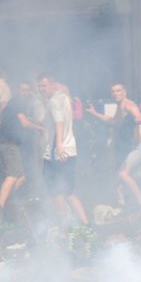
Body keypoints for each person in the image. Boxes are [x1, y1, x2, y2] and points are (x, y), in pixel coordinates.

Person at [36, 73, 88, 226]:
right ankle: (86, 224)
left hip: (56, 153)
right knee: (69, 192)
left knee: (56, 193)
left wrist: (58, 145)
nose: (41, 89)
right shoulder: (65, 98)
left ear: (53, 85)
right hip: (70, 151)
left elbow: (59, 122)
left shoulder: (54, 101)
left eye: (44, 86)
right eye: (39, 86)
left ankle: (63, 230)